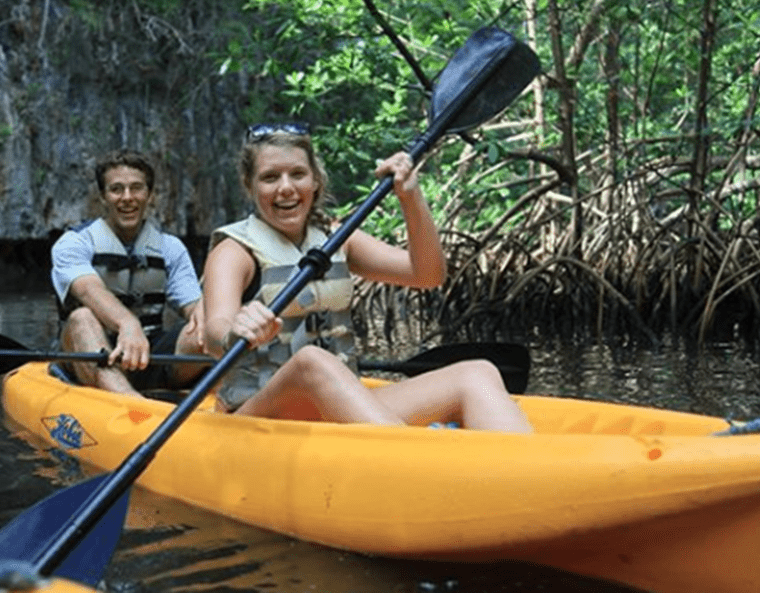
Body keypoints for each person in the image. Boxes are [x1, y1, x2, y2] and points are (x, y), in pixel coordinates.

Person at [201, 123, 531, 432]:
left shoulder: (334, 237)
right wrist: (235, 330)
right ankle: (416, 460)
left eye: (297, 174)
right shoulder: (234, 251)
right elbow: (215, 332)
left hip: (337, 403)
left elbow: (427, 274)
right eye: (270, 177)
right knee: (312, 362)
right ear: (250, 187)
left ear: (315, 181)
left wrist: (411, 197)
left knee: (477, 372)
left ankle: (527, 475)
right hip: (257, 413)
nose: (286, 188)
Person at [51, 149, 205, 397]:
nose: (127, 198)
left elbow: (193, 306)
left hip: (151, 355)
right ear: (103, 197)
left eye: (136, 188)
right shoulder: (74, 243)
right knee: (81, 317)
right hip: (92, 353)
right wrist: (127, 323)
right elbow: (89, 290)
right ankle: (132, 403)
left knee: (204, 324)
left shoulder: (171, 248)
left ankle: (225, 395)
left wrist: (211, 322)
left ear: (149, 194)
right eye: (116, 189)